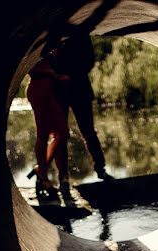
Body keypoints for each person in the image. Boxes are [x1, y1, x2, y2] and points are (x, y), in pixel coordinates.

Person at [55, 33, 114, 182]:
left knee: (88, 131)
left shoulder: (81, 34)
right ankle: (63, 175)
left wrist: (71, 75)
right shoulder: (53, 34)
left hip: (80, 89)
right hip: (59, 91)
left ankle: (100, 169)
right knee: (61, 134)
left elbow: (90, 61)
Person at [25, 41, 71, 200]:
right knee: (43, 135)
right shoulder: (34, 42)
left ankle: (40, 170)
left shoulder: (49, 42)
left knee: (63, 132)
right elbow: (29, 66)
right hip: (38, 89)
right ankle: (43, 177)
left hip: (50, 91)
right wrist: (53, 74)